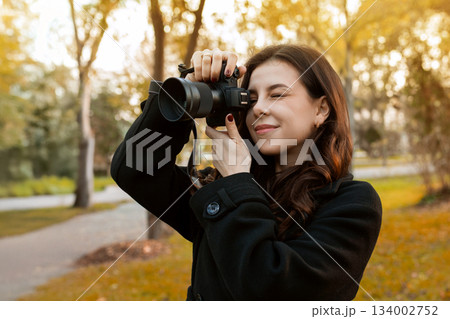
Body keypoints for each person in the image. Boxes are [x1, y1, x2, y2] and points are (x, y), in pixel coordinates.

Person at [110, 44, 382, 300]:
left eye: (277, 94)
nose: (259, 108)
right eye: (250, 99)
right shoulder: (218, 188)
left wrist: (237, 181)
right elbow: (135, 168)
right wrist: (182, 100)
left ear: (321, 109)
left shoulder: (353, 204)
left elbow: (269, 289)